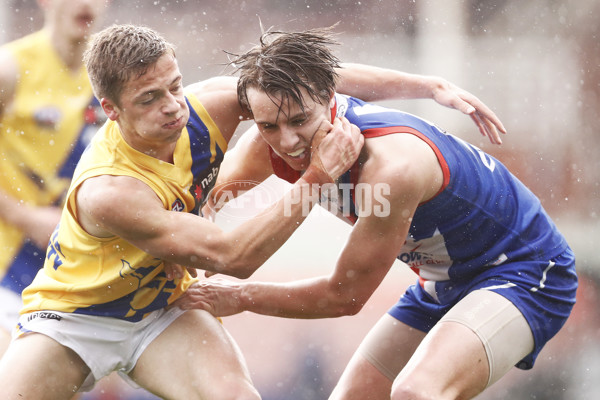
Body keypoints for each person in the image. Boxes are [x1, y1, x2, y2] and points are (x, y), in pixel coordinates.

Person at [0, 23, 505, 399]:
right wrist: (316, 178)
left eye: (174, 86)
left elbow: (306, 78)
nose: (173, 106)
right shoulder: (109, 191)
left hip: (163, 310)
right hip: (74, 318)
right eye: (150, 99)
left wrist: (427, 85)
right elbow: (233, 257)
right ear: (111, 110)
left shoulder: (209, 105)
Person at [175, 27, 578, 400]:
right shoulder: (265, 143)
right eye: (269, 126)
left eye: (301, 121)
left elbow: (343, 297)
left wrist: (240, 296)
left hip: (526, 272)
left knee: (416, 393)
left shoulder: (393, 170)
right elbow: (198, 208)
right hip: (441, 281)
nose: (288, 142)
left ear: (330, 101)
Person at [0, 0, 108, 354]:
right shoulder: (10, 67)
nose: (86, 3)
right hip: (7, 258)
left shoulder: (112, 76)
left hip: (67, 269)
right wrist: (24, 216)